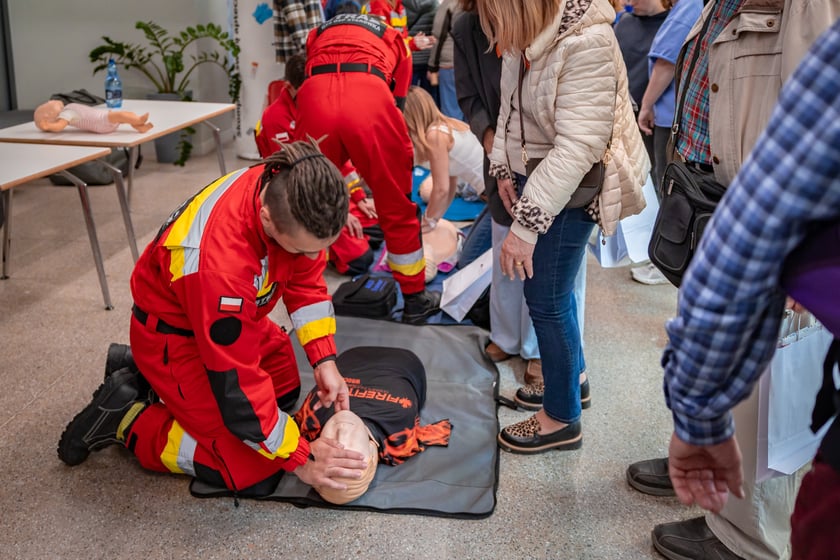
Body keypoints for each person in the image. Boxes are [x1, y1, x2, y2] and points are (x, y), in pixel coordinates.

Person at [624, 1, 840, 558]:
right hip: (715, 197)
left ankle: (749, 537)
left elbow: (814, 125)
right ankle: (716, 479)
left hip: (773, 215)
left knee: (777, 386)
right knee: (744, 376)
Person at [57, 142, 369, 499]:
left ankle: (145, 374)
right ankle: (127, 420)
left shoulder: (290, 187)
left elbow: (306, 279)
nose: (314, 257)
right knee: (252, 467)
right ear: (267, 218)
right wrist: (301, 458)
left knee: (283, 387)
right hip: (176, 339)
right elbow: (238, 385)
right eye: (302, 248)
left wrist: (324, 359)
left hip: (226, 318)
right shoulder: (221, 264)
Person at [478, 0, 648, 453]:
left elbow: (578, 148)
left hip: (569, 191)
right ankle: (572, 383)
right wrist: (501, 167)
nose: (495, 28)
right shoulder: (526, 38)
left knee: (548, 299)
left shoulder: (586, 41)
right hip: (540, 180)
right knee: (553, 296)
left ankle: (561, 418)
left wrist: (526, 227)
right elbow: (508, 112)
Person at [294, 13, 441, 324]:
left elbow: (310, 71)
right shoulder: (395, 40)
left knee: (304, 201)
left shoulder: (316, 33)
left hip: (315, 95)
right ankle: (415, 299)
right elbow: (398, 105)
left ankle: (301, 294)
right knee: (396, 205)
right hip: (369, 95)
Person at [255, 52, 379, 277]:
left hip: (327, 192)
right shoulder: (274, 120)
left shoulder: (319, 105)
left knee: (379, 223)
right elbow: (291, 181)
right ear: (289, 87)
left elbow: (337, 161)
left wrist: (358, 198)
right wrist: (339, 214)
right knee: (362, 260)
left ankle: (341, 235)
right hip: (299, 203)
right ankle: (323, 248)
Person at [294, 346, 452, 504]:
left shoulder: (311, 418)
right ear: (371, 455)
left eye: (332, 447)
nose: (342, 431)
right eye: (347, 449)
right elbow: (424, 436)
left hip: (350, 355)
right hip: (404, 361)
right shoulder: (398, 429)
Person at [629, 0, 702, 286]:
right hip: (675, 115)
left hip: (669, 115)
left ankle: (667, 262)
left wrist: (646, 104)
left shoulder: (691, 4)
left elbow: (666, 60)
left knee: (668, 190)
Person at [404, 85, 485, 233]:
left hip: (493, 195)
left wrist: (428, 220)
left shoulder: (435, 135)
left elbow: (441, 189)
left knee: (471, 253)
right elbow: (450, 185)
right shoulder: (446, 126)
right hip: (492, 193)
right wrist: (433, 220)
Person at [426, 0, 464, 120]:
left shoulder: (448, 5)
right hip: (468, 63)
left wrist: (432, 66)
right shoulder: (472, 4)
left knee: (451, 111)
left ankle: (454, 138)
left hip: (449, 63)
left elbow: (438, 37)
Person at [34, 99, 153, 134]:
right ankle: (138, 120)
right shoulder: (66, 114)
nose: (49, 101)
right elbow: (60, 126)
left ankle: (140, 126)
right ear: (49, 114)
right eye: (46, 104)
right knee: (122, 115)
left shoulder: (67, 109)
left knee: (126, 115)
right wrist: (49, 126)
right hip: (100, 122)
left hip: (102, 118)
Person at [361, 0, 437, 51]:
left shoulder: (398, 6)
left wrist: (415, 41)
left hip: (394, 61)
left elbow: (400, 37)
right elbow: (383, 42)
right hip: (381, 63)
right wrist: (412, 43)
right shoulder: (378, 5)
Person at [404, 0, 440, 102]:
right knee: (430, 98)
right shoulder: (434, 4)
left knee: (409, 96)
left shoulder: (401, 6)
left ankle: (411, 117)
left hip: (410, 54)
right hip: (428, 55)